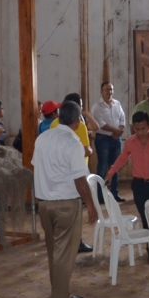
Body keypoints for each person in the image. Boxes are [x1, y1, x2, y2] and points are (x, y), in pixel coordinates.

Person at [32, 100, 97, 298]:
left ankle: (57, 288)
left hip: (44, 204)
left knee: (53, 250)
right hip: (66, 204)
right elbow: (80, 179)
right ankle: (60, 296)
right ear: (78, 121)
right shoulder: (73, 143)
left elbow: (36, 166)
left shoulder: (42, 139)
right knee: (64, 253)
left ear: (59, 117)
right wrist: (91, 205)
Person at [106, 111, 149, 233]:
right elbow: (122, 158)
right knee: (146, 216)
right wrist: (110, 173)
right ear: (133, 128)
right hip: (139, 185)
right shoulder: (131, 142)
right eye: (137, 129)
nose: (140, 132)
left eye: (143, 128)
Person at [51, 92, 99, 253]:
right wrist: (91, 149)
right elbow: (85, 151)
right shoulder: (80, 125)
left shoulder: (54, 124)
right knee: (76, 208)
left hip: (58, 172)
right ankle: (76, 242)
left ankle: (61, 239)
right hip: (76, 172)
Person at [91, 81, 126, 203]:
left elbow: (122, 118)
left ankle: (114, 194)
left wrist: (119, 131)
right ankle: (100, 197)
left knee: (115, 167)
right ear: (101, 92)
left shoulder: (117, 104)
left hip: (116, 140)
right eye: (106, 90)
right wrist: (115, 131)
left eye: (111, 89)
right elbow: (101, 124)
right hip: (103, 140)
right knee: (102, 167)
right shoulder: (97, 106)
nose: (109, 92)